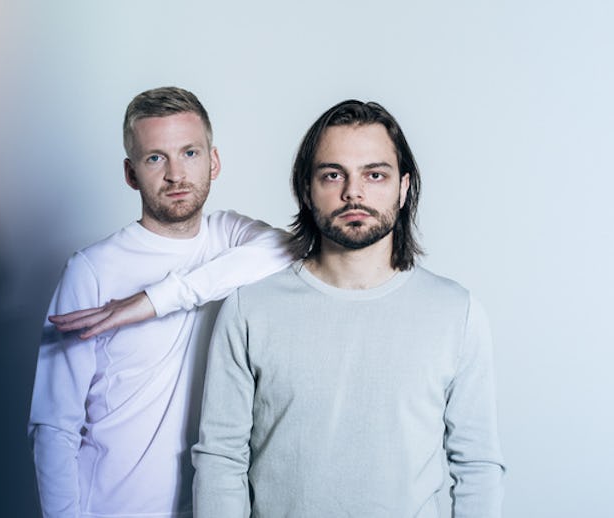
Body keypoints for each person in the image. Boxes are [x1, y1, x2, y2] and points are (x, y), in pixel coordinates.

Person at [192, 100, 506, 517]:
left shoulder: (456, 312)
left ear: (404, 186)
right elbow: (221, 460)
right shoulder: (249, 308)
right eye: (333, 174)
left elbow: (478, 466)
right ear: (306, 188)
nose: (353, 192)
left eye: (374, 174)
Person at [27, 86, 292, 518]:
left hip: (210, 506)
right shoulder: (92, 269)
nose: (175, 174)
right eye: (155, 158)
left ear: (214, 161)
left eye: (189, 153)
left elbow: (293, 248)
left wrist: (155, 299)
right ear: (131, 174)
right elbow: (53, 423)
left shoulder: (229, 238)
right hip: (111, 509)